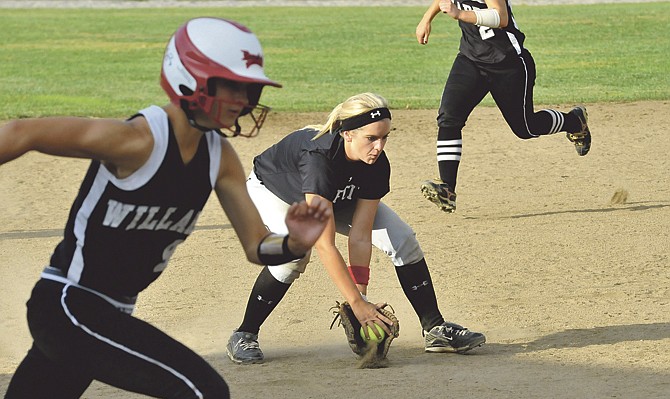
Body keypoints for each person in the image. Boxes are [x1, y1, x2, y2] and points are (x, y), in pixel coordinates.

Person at [0, 17, 332, 399]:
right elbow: (21, 132)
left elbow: (256, 245)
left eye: (249, 89)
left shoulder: (219, 157)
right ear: (189, 79)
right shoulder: (138, 140)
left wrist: (294, 243)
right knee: (203, 395)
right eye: (230, 86)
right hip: (69, 306)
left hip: (104, 315)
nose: (243, 100)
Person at [225, 92, 486, 365]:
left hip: (334, 195)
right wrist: (358, 305)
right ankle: (245, 333)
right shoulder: (320, 159)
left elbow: (360, 235)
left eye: (385, 137)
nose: (379, 146)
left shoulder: (375, 163)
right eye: (371, 138)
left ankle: (435, 329)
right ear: (347, 134)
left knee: (402, 238)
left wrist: (358, 298)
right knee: (295, 254)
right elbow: (324, 244)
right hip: (277, 193)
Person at [416, 0, 592, 213]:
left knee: (526, 128)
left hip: (508, 63)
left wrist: (459, 14)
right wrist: (426, 19)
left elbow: (501, 18)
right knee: (449, 118)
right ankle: (447, 190)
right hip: (470, 60)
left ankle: (574, 121)